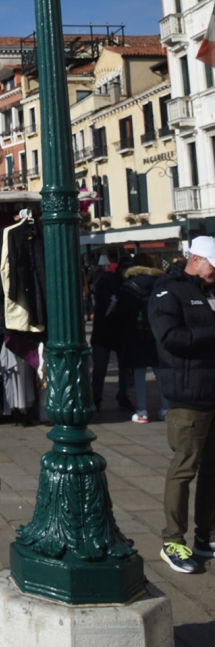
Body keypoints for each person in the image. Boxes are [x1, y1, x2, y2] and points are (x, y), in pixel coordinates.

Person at [148, 236, 215, 573]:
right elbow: (170, 337)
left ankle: (207, 536)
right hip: (188, 395)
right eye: (213, 267)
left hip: (211, 391)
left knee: (212, 469)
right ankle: (173, 540)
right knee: (184, 467)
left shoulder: (206, 291)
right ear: (197, 259)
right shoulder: (169, 291)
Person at [118, 252, 169, 422]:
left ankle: (142, 411)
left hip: (136, 334)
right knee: (160, 371)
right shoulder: (160, 283)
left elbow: (122, 313)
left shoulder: (128, 285)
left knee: (139, 373)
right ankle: (166, 407)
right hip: (157, 332)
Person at [90, 248, 133, 412]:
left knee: (110, 368)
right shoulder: (114, 282)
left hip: (109, 331)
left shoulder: (109, 281)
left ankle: (103, 397)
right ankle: (103, 397)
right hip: (111, 330)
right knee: (104, 368)